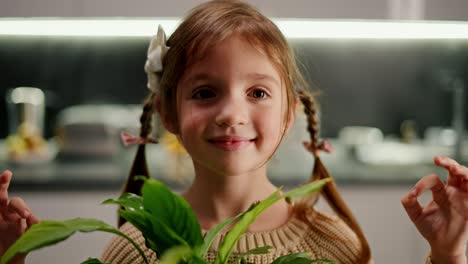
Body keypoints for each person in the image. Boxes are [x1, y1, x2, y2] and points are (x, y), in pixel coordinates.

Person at [1, 1, 467, 263]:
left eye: (258, 93)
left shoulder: (331, 245)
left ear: (288, 114)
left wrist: (447, 255)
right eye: (205, 92)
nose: (231, 113)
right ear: (168, 113)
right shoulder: (137, 249)